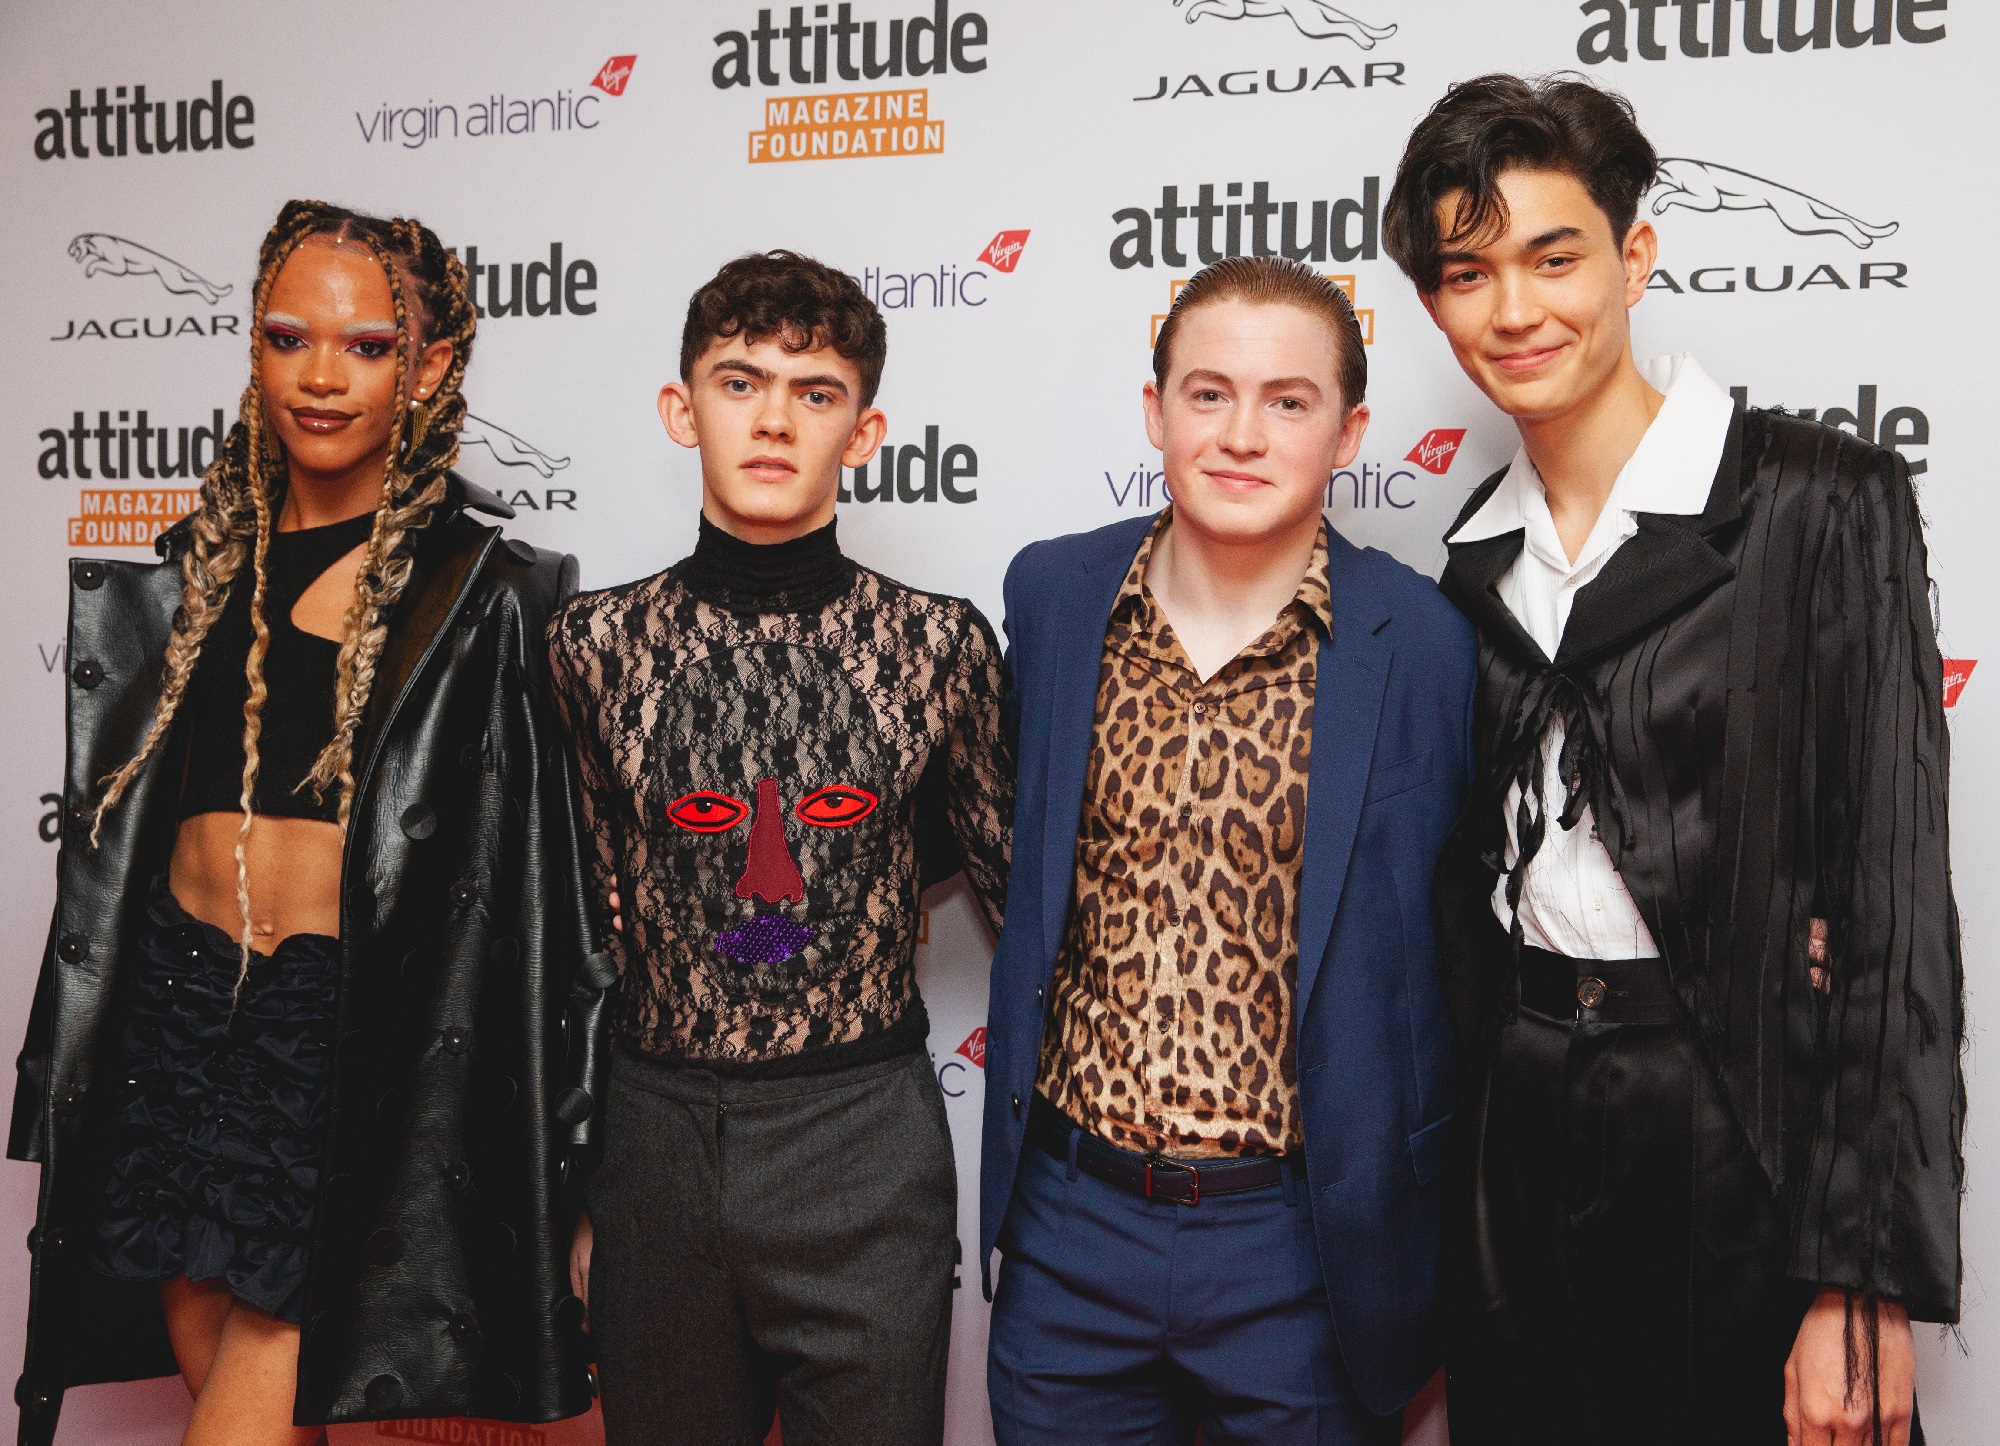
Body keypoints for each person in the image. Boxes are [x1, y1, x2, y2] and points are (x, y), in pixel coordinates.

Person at [1382, 74, 1963, 1446]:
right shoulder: (1469, 563)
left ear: (1633, 256)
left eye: (1553, 256)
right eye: (1466, 273)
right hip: (1516, 1136)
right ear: (1434, 306)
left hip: (1737, 1135)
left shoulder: (1817, 500)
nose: (1513, 309)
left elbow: (1886, 912)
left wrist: (1861, 1282)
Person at [8, 201, 601, 1446]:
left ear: (428, 368)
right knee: (228, 1373)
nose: (321, 376)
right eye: (289, 337)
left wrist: (574, 1159)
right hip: (177, 1016)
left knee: (253, 1405)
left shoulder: (484, 595)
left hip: (343, 1032)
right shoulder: (192, 571)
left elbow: (547, 901)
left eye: (368, 346)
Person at [979, 255, 1476, 1444]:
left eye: (1286, 401)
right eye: (1208, 394)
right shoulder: (1054, 597)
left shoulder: (1423, 641)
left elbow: (1452, 941)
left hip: (1304, 1242)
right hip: (1070, 1222)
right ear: (1155, 411)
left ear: (1346, 433)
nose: (1240, 435)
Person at [549, 249, 1012, 1446]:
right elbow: (570, 938)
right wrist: (571, 1183)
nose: (771, 419)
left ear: (864, 432)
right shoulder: (589, 648)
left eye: (814, 392)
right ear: (681, 409)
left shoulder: (938, 648)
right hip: (654, 1144)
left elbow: (1030, 917)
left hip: (866, 1139)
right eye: (739, 381)